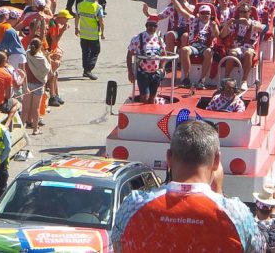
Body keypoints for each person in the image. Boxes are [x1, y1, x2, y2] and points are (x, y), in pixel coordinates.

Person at [112, 121, 262, 253]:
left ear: (169, 158)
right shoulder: (237, 215)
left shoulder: (132, 206)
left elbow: (117, 246)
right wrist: (219, 195)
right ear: (216, 160)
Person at [127, 17, 167, 104]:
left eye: (154, 26)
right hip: (142, 72)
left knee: (152, 97)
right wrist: (130, 72)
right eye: (150, 25)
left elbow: (164, 54)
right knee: (145, 96)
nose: (152, 28)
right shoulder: (137, 38)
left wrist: (162, 68)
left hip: (155, 73)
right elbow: (129, 55)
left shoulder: (159, 39)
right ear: (146, 26)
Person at [75, 0, 105, 80]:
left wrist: (76, 28)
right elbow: (101, 22)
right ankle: (88, 70)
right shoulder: (98, 7)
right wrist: (103, 33)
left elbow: (77, 17)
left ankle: (85, 71)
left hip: (83, 34)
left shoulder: (80, 5)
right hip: (93, 35)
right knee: (95, 51)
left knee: (85, 52)